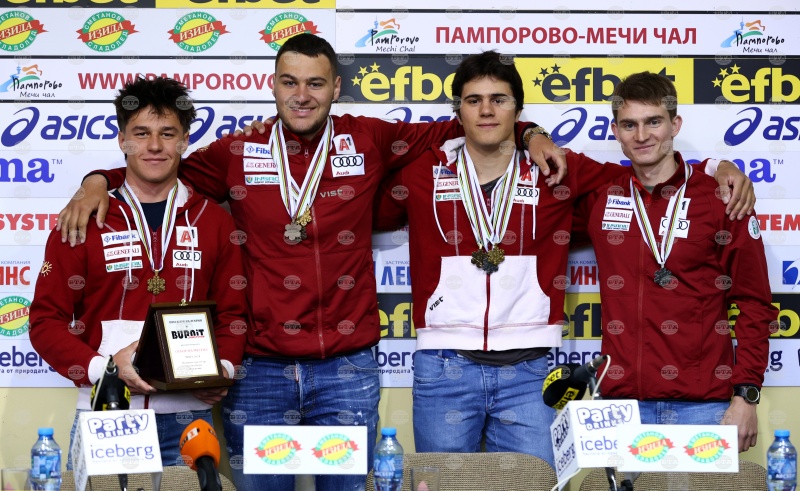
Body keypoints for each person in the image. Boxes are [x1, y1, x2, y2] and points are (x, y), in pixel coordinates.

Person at [55, 34, 559, 491]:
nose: (302, 95)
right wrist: (97, 180)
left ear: (336, 88)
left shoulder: (369, 138)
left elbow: (476, 122)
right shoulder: (238, 150)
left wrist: (532, 134)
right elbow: (159, 165)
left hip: (347, 369)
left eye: (315, 83)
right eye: (289, 82)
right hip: (259, 369)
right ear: (273, 86)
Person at [371, 53, 757, 467]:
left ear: (518, 109)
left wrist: (715, 166)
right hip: (442, 366)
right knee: (442, 484)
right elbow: (361, 205)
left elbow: (648, 174)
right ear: (458, 110)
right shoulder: (421, 172)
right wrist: (530, 134)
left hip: (529, 370)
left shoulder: (556, 169)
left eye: (499, 100)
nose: (486, 110)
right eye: (473, 100)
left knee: (535, 482)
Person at [29, 77, 248, 466]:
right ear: (122, 140)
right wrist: (107, 369)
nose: (154, 146)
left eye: (168, 134)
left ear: (184, 141)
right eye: (141, 133)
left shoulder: (214, 221)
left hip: (188, 419)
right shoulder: (83, 219)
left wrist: (223, 369)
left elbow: (233, 316)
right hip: (106, 412)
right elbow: (46, 321)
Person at [573, 71, 775, 452]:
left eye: (654, 122)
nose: (642, 135)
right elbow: (535, 220)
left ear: (675, 124)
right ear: (615, 131)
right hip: (621, 407)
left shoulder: (721, 199)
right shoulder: (602, 197)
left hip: (703, 408)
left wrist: (746, 395)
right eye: (629, 125)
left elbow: (754, 303)